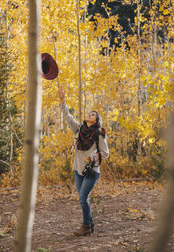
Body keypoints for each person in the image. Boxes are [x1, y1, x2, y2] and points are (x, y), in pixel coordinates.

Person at [59, 87, 109, 236]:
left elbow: (105, 153)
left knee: (83, 197)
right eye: (89, 113)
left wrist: (93, 157)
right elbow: (67, 117)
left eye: (93, 115)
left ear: (96, 120)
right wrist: (62, 100)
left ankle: (86, 226)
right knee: (82, 199)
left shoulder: (98, 134)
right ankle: (89, 223)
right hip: (78, 169)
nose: (89, 115)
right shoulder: (79, 129)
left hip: (92, 171)